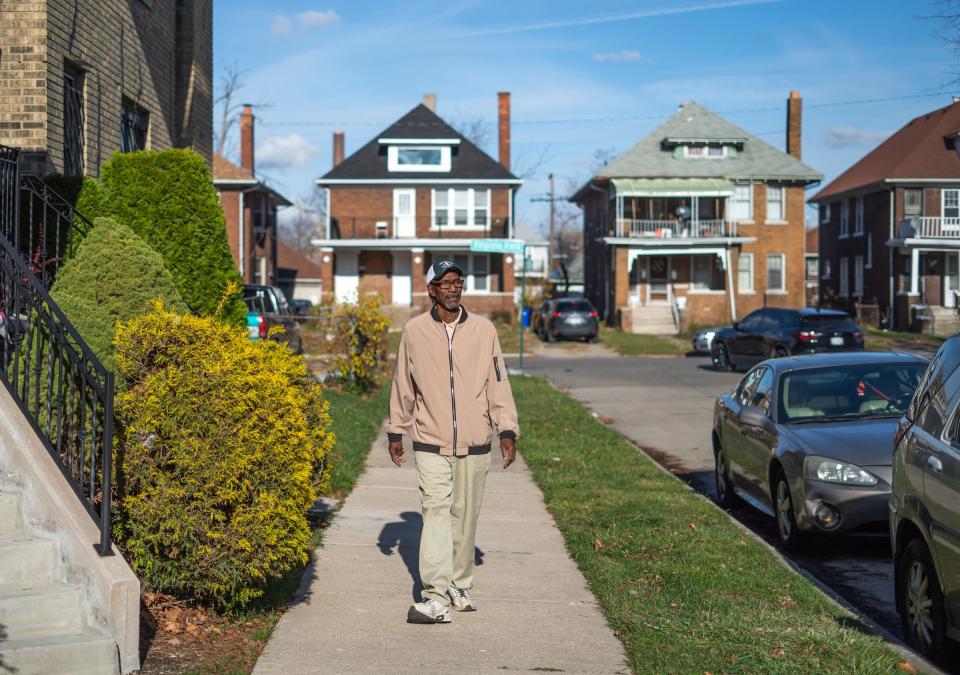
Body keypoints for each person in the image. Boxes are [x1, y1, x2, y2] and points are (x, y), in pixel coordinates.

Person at [387, 260, 520, 624]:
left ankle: (459, 585)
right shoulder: (414, 331)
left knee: (464, 518)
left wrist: (506, 430)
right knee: (436, 513)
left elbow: (498, 383)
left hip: (476, 441)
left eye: (457, 282)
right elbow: (403, 383)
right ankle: (433, 596)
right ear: (431, 289)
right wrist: (396, 430)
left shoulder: (483, 330)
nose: (452, 288)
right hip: (430, 439)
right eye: (445, 283)